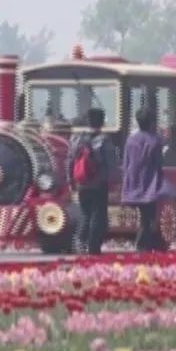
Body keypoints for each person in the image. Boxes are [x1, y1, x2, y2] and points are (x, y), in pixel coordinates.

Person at [122, 106, 176, 252]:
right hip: (149, 184)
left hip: (133, 181)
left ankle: (147, 245)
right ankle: (142, 246)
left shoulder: (130, 139)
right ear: (151, 122)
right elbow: (158, 162)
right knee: (148, 219)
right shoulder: (155, 140)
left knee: (145, 218)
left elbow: (126, 161)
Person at [67, 108, 118, 255]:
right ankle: (93, 246)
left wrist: (71, 180)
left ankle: (79, 240)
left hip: (82, 183)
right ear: (101, 122)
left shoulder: (76, 139)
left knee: (85, 213)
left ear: (87, 121)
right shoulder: (104, 140)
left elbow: (70, 161)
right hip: (99, 184)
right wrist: (114, 182)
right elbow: (111, 164)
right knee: (97, 215)